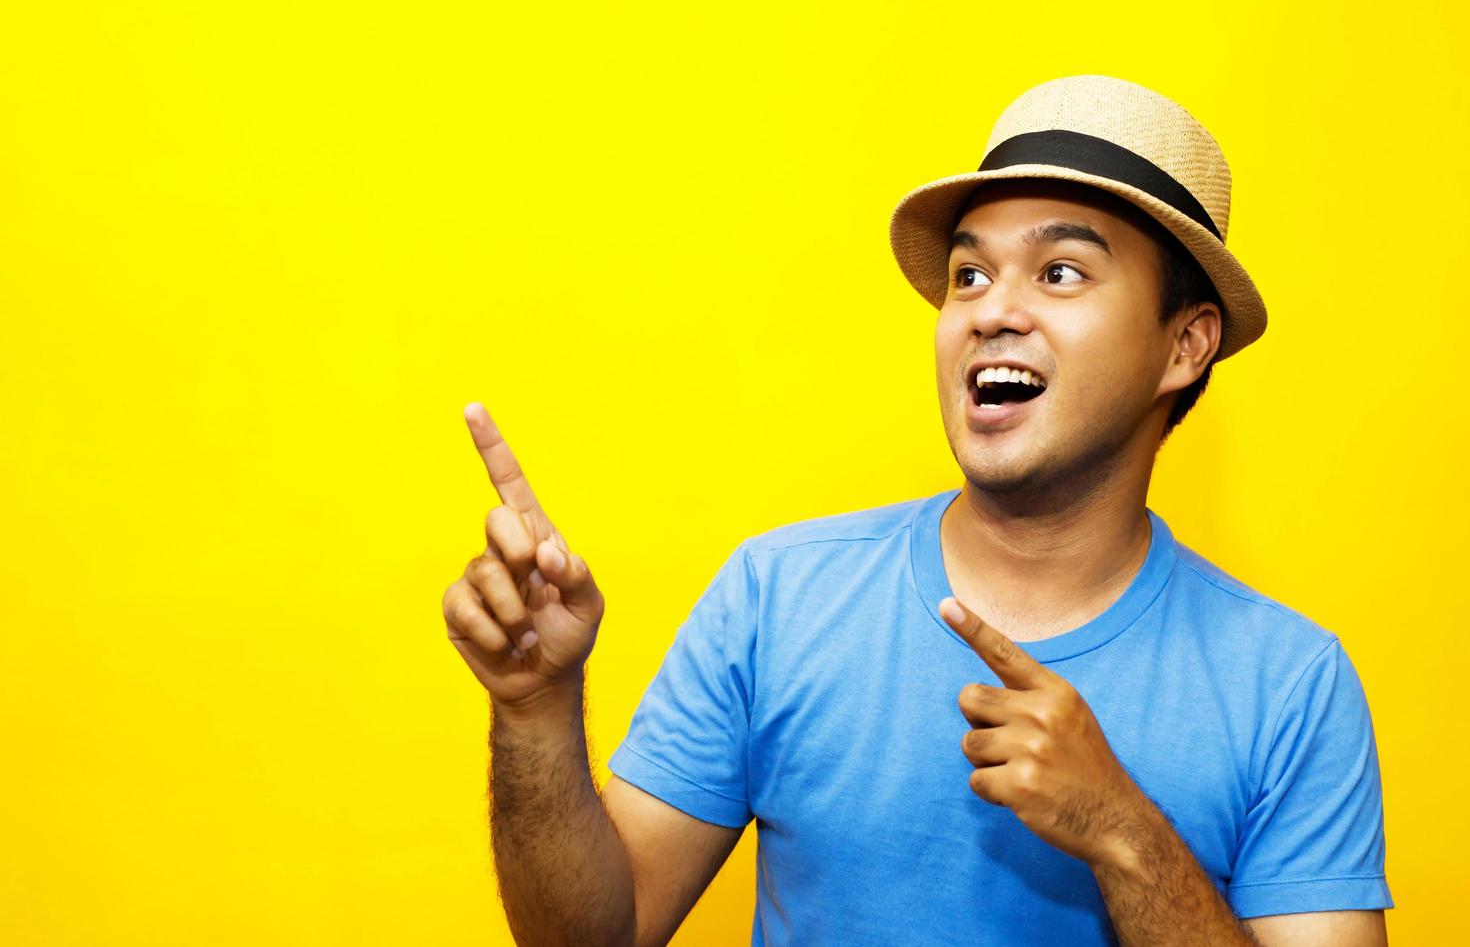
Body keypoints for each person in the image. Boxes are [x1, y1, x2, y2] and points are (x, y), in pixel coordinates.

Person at [440, 74, 1393, 946]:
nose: (990, 311)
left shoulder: (1291, 686)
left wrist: (1121, 832)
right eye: (969, 276)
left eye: (1060, 272)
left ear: (1184, 346)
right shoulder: (779, 597)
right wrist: (535, 713)